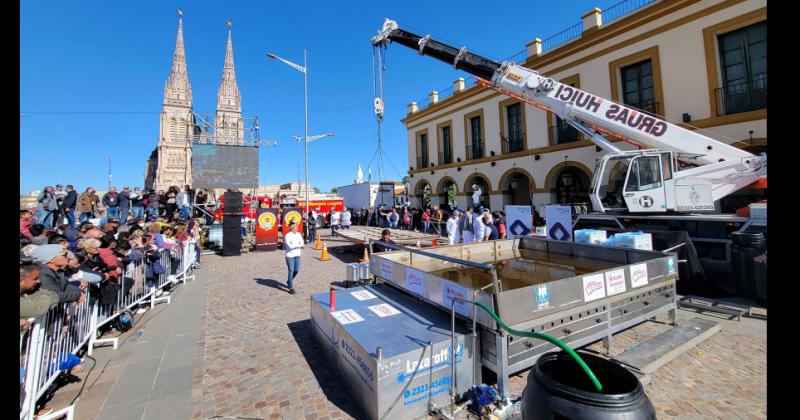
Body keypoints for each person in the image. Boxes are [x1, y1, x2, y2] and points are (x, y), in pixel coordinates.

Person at [20, 263, 59, 329]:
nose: (38, 281)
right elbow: (41, 308)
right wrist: (46, 296)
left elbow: (55, 297)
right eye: (35, 278)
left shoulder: (27, 292)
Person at [283, 221, 304, 295]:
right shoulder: (287, 235)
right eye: (296, 226)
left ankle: (289, 280)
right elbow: (290, 246)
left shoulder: (298, 234)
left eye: (297, 226)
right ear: (292, 228)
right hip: (290, 256)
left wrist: (297, 245)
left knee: (296, 270)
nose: (297, 228)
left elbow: (302, 243)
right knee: (291, 270)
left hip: (297, 255)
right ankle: (291, 288)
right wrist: (297, 245)